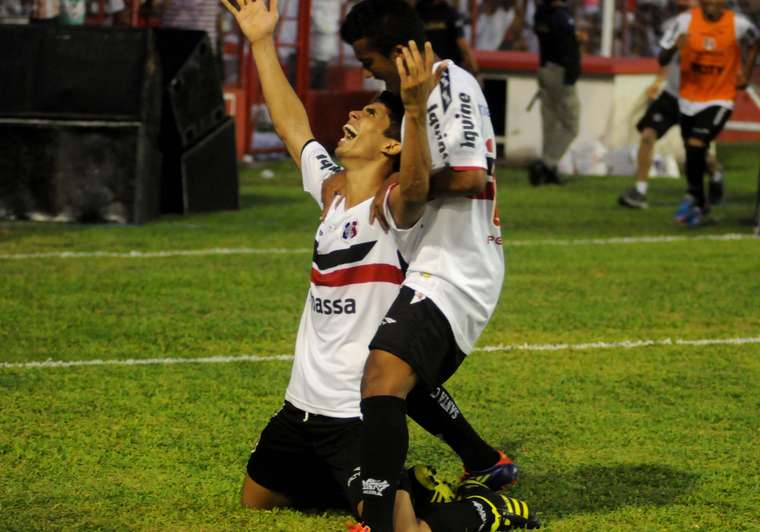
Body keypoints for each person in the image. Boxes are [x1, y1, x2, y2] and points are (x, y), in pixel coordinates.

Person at [221, 1, 534, 531]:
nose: (352, 113)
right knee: (257, 499)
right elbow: (293, 125)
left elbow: (432, 184)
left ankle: (483, 511)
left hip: (350, 416)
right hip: (301, 407)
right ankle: (436, 473)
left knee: (394, 517)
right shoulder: (332, 192)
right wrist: (260, 42)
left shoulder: (395, 208)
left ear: (392, 142)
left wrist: (412, 111)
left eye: (367, 114)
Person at [339, 2, 539, 530]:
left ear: (401, 51)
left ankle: (377, 521)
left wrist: (407, 184)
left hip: (459, 264)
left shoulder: (451, 87)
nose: (366, 71)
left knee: (382, 376)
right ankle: (484, 462)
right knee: (404, 378)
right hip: (428, 261)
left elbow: (473, 177)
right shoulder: (409, 99)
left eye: (369, 58)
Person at [659, 0, 760, 226]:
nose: (712, 3)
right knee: (693, 153)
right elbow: (662, 58)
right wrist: (675, 46)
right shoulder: (684, 22)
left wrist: (746, 75)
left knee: (696, 143)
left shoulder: (738, 24)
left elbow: (756, 41)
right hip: (688, 99)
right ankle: (703, 196)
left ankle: (692, 197)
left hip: (720, 98)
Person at [618, 0, 725, 210]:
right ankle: (639, 191)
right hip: (670, 96)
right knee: (648, 136)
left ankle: (716, 174)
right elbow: (668, 59)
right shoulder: (672, 26)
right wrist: (659, 80)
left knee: (700, 152)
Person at [528, 0, 581, 186]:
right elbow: (567, 48)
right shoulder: (562, 17)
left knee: (550, 124)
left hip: (544, 69)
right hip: (560, 72)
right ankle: (546, 163)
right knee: (571, 125)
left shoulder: (540, 15)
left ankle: (549, 170)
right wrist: (571, 77)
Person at [414, 0, 480, 78]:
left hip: (422, 73)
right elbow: (462, 46)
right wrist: (476, 72)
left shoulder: (415, 12)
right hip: (447, 72)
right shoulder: (450, 13)